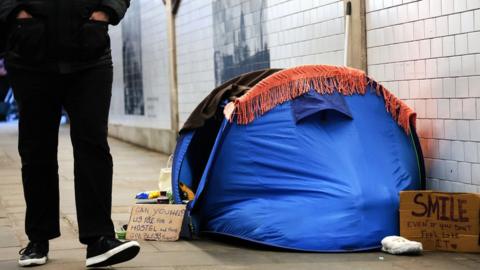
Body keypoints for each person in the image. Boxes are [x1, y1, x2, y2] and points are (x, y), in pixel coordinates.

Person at [0, 0, 140, 267]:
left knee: (93, 144)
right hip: (30, 54)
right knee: (36, 149)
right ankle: (38, 239)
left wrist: (105, 13)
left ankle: (99, 238)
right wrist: (17, 14)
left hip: (90, 54)